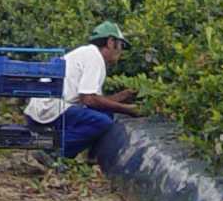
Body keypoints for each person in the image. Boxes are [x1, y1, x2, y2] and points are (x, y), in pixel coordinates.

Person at [24, 21, 140, 161]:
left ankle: (87, 155)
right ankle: (53, 152)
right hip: (50, 110)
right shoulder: (94, 57)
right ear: (110, 42)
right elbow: (88, 99)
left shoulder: (88, 53)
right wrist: (127, 109)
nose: (121, 51)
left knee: (106, 114)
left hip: (43, 108)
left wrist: (122, 96)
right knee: (101, 122)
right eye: (121, 46)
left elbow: (94, 99)